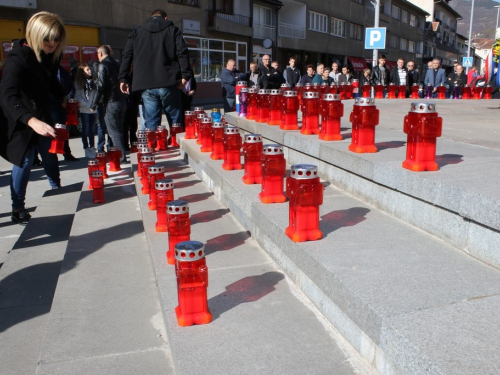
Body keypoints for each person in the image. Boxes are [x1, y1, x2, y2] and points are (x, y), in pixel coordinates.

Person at [0, 11, 65, 224]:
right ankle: (17, 207)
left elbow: (49, 83)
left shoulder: (49, 57)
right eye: (47, 38)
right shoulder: (18, 56)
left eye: (56, 38)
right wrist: (30, 120)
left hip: (40, 115)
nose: (52, 43)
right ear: (35, 34)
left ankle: (57, 191)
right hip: (19, 118)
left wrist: (65, 96)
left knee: (50, 153)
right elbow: (8, 95)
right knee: (25, 160)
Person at [118, 9, 191, 130]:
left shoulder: (137, 31)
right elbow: (182, 53)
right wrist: (185, 76)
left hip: (147, 84)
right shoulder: (173, 30)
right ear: (166, 18)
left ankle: (153, 146)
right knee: (176, 124)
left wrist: (123, 78)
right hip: (169, 82)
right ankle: (178, 146)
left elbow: (127, 55)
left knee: (152, 124)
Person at [91, 45, 126, 162]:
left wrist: (94, 104)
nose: (97, 56)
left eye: (97, 54)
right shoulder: (117, 64)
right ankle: (121, 155)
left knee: (113, 132)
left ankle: (121, 158)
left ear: (100, 53)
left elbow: (100, 86)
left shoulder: (103, 65)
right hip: (121, 100)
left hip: (111, 102)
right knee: (119, 130)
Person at [74, 63, 98, 158]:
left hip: (93, 109)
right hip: (84, 109)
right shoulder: (79, 83)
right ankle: (86, 147)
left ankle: (92, 147)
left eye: (90, 69)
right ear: (82, 72)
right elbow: (77, 97)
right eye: (87, 70)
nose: (90, 71)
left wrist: (93, 105)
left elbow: (96, 94)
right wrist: (87, 105)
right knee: (85, 130)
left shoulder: (93, 82)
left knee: (92, 129)